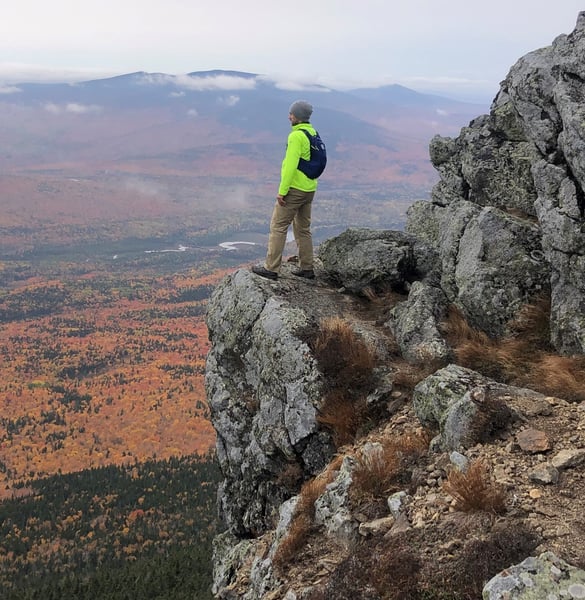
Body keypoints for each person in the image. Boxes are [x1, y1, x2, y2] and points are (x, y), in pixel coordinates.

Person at [252, 100, 318, 281]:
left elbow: (290, 166)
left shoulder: (296, 136)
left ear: (296, 116)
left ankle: (271, 269)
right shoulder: (312, 132)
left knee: (278, 226)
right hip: (309, 189)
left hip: (295, 189)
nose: (289, 116)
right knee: (303, 229)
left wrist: (282, 191)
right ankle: (307, 268)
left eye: (291, 114)